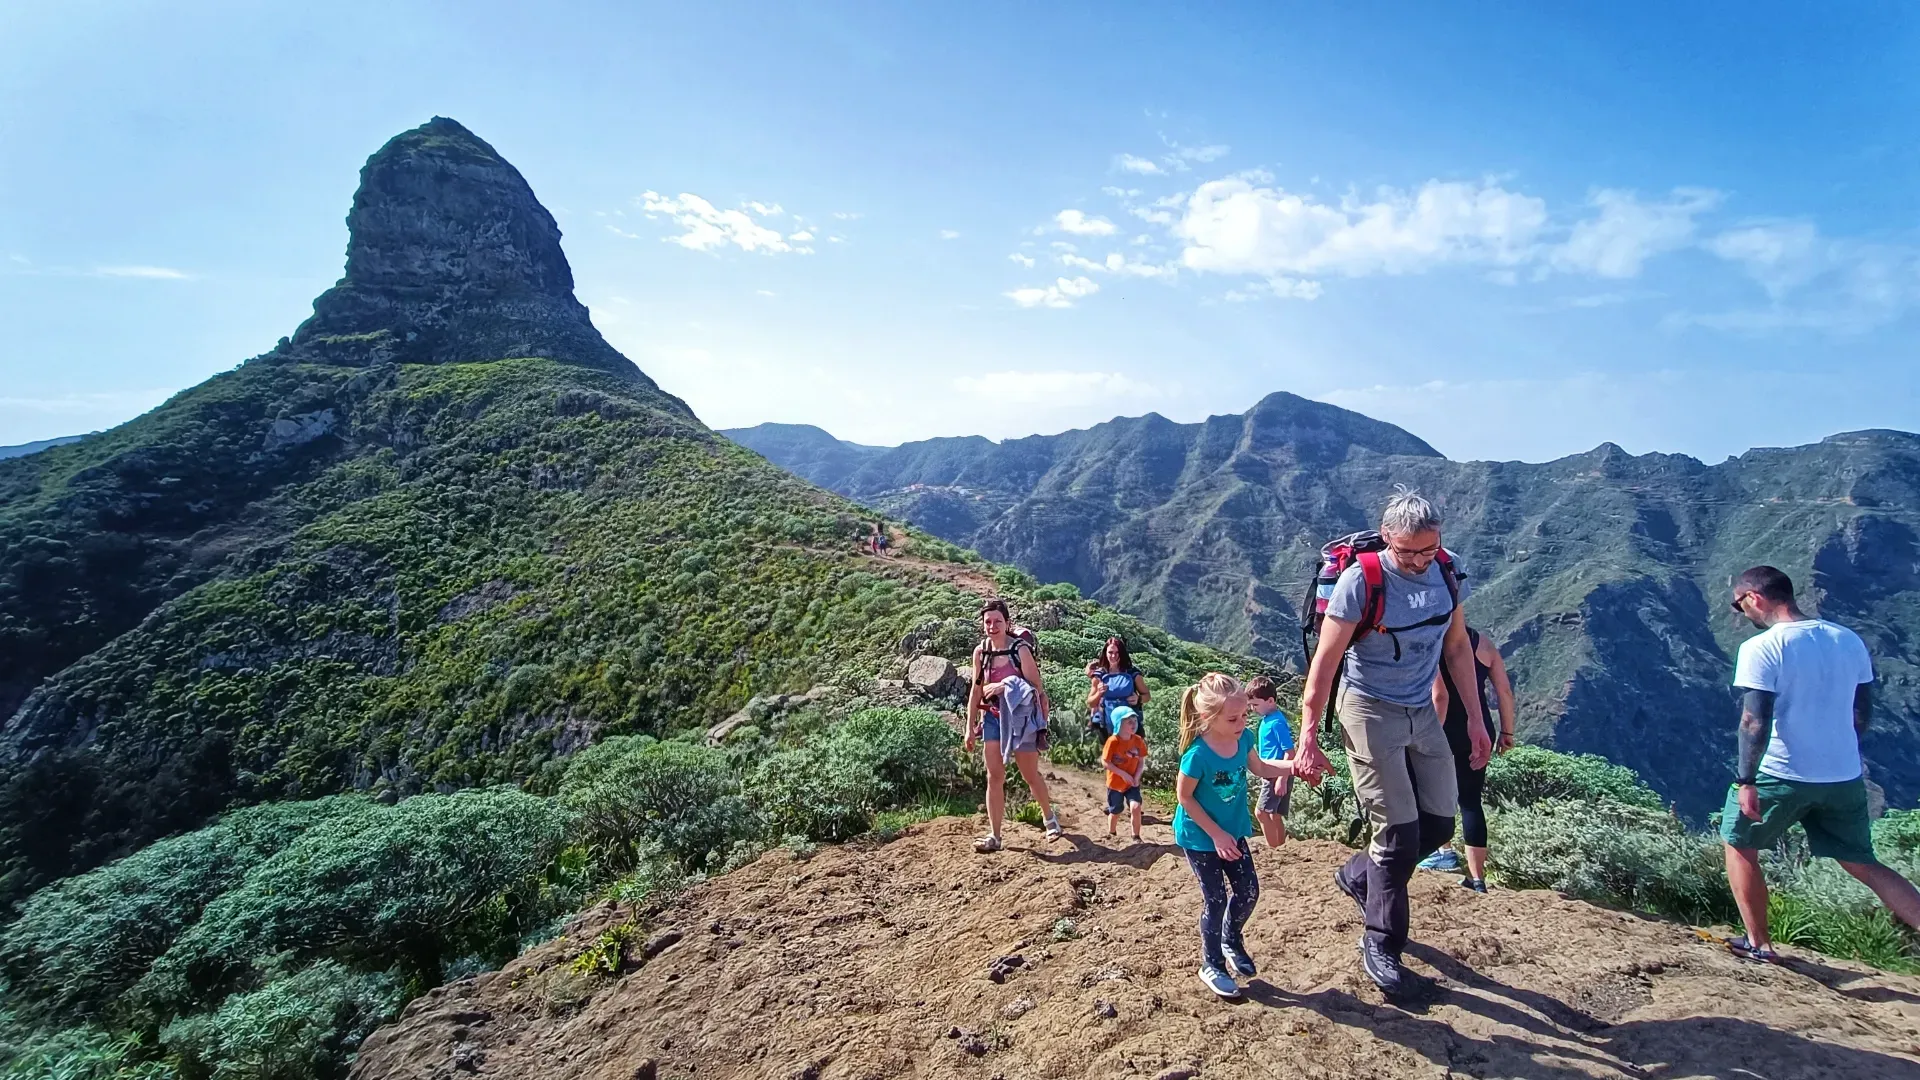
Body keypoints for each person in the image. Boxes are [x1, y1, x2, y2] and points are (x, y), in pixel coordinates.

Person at [1293, 487, 1489, 996]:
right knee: (1398, 834)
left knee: (1440, 823)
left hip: (1421, 709)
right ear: (1386, 538)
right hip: (1368, 708)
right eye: (1408, 552)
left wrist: (1475, 720)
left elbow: (1457, 649)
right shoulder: (1362, 581)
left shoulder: (1448, 571)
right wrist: (1308, 737)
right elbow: (1325, 663)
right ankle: (1382, 942)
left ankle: (1360, 875)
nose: (1420, 561)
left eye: (1429, 549)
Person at [1720, 565, 1920, 962]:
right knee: (1864, 862)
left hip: (1782, 772)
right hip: (1844, 775)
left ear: (1754, 598)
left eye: (1739, 606)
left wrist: (1746, 780)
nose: (1741, 614)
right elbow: (1861, 712)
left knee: (1739, 843)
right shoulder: (1847, 639)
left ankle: (1759, 944)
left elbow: (1754, 720)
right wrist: (1839, 751)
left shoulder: (1762, 647)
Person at [1172, 672, 1295, 999]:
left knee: (1249, 892)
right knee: (1216, 900)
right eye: (1233, 718)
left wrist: (1294, 767)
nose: (1242, 722)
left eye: (1244, 715)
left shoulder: (1244, 739)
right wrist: (1216, 835)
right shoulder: (1197, 754)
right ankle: (1211, 964)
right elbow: (1184, 797)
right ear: (1207, 717)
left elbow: (1261, 768)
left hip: (1232, 831)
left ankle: (1231, 938)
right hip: (1201, 837)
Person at [1417, 627, 1517, 892]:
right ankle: (1477, 878)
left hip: (1445, 728)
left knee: (1434, 793)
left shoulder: (1432, 641)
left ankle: (1443, 853)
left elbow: (1440, 697)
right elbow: (1504, 692)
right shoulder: (1484, 644)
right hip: (1480, 729)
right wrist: (1507, 732)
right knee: (1471, 802)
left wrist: (1429, 737)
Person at [963, 598, 1060, 852]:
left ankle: (1049, 818)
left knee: (1029, 775)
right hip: (992, 717)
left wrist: (1004, 685)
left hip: (1021, 719)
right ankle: (995, 836)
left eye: (997, 621)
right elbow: (976, 691)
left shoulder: (1020, 650)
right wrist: (969, 727)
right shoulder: (981, 652)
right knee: (994, 776)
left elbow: (1035, 686)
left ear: (1007, 623)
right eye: (988, 622)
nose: (992, 626)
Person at [1248, 676, 1295, 849]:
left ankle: (1273, 849)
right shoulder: (1269, 719)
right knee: (1274, 815)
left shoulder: (1276, 723)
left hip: (1276, 774)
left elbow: (1290, 752)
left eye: (1255, 704)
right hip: (1275, 772)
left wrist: (1282, 778)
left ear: (1270, 700)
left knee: (1261, 813)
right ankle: (1280, 847)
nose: (1253, 709)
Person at [1085, 636, 1150, 740]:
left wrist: (1138, 699)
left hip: (1131, 730)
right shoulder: (1099, 675)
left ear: (1122, 653)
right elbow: (1090, 703)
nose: (1113, 656)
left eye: (1117, 652)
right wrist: (1099, 693)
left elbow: (1147, 695)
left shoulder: (1132, 673)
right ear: (1105, 653)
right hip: (1105, 729)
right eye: (1110, 652)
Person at [1101, 705, 1147, 840]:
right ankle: (1112, 833)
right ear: (1119, 723)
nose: (1134, 724)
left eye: (1135, 721)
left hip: (1132, 783)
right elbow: (1105, 762)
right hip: (1115, 784)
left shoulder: (1138, 741)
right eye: (1129, 722)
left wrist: (1137, 777)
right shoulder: (1113, 741)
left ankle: (1136, 836)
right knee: (1115, 811)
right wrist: (1123, 774)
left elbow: (1141, 761)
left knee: (1136, 807)